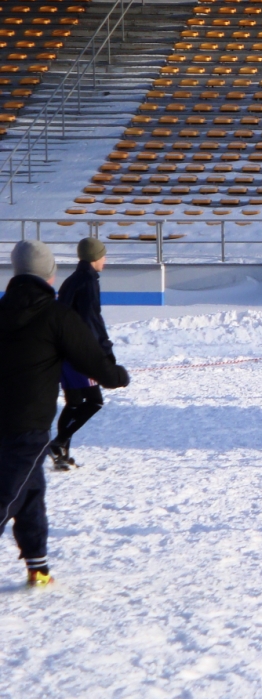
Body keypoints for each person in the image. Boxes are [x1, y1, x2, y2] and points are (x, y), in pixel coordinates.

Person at [0, 241, 130, 586]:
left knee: (30, 492)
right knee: (9, 494)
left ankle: (37, 566)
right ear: (49, 275)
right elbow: (90, 356)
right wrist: (117, 375)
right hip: (26, 425)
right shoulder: (56, 316)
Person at [50, 237, 114, 471]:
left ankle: (61, 454)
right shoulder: (88, 281)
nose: (105, 259)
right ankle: (57, 443)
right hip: (79, 352)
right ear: (94, 257)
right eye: (103, 255)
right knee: (94, 401)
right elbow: (91, 320)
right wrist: (104, 349)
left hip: (64, 351)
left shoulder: (71, 280)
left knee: (74, 403)